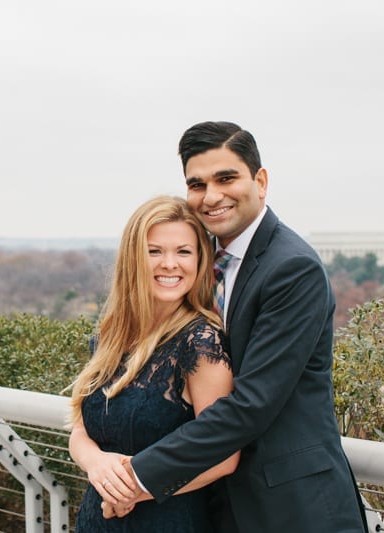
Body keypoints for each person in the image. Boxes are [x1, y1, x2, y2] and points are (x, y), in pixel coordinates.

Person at [119, 121, 367, 532]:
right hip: (214, 504)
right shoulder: (196, 262)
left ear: (261, 181)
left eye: (226, 178)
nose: (211, 196)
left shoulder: (292, 269)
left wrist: (137, 477)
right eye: (197, 184)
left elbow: (252, 403)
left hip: (292, 508)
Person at [68, 195, 240, 532]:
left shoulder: (201, 343)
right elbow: (80, 430)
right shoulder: (110, 337)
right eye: (155, 251)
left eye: (183, 251)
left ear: (200, 260)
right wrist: (97, 464)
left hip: (166, 520)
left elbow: (224, 455)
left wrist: (131, 490)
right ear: (133, 258)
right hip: (97, 519)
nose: (170, 264)